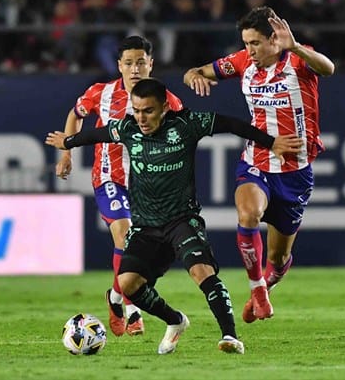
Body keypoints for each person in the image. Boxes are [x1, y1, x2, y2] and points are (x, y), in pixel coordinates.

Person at [46, 77, 303, 354]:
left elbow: (230, 124)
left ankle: (230, 336)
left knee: (201, 273)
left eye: (149, 111)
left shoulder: (186, 124)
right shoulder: (128, 129)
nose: (141, 118)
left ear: (165, 107)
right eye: (137, 110)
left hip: (182, 220)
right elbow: (98, 134)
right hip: (145, 227)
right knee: (127, 284)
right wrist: (69, 142)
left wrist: (270, 142)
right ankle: (175, 321)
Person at [182, 6, 335, 323]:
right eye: (246, 42)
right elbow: (196, 71)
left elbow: (329, 69)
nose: (248, 50)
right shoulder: (241, 62)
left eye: (254, 43)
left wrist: (295, 47)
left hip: (295, 172)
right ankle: (257, 290)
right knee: (248, 213)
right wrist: (193, 76)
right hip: (257, 160)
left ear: (273, 40)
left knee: (278, 258)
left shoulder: (298, 61)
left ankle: (269, 279)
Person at [55, 35, 183, 337]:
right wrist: (67, 152)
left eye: (141, 62)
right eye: (129, 63)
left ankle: (115, 296)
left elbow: (183, 133)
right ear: (119, 65)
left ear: (151, 64)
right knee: (125, 234)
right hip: (109, 179)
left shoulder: (167, 100)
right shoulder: (101, 93)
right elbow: (76, 115)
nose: (135, 68)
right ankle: (133, 311)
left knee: (146, 253)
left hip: (148, 185)